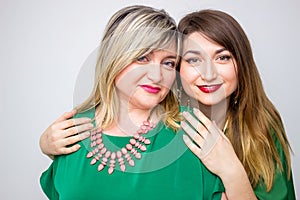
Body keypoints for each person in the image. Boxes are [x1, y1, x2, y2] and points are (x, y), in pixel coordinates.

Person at [40, 8, 296, 200]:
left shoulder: (197, 135)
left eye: (168, 63)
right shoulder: (74, 130)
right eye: (142, 57)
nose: (157, 75)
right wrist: (46, 145)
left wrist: (231, 169)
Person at [178, 9, 295, 199]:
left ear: (241, 64)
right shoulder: (162, 127)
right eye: (194, 60)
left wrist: (231, 169)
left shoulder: (262, 123)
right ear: (177, 67)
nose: (209, 74)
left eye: (222, 58)